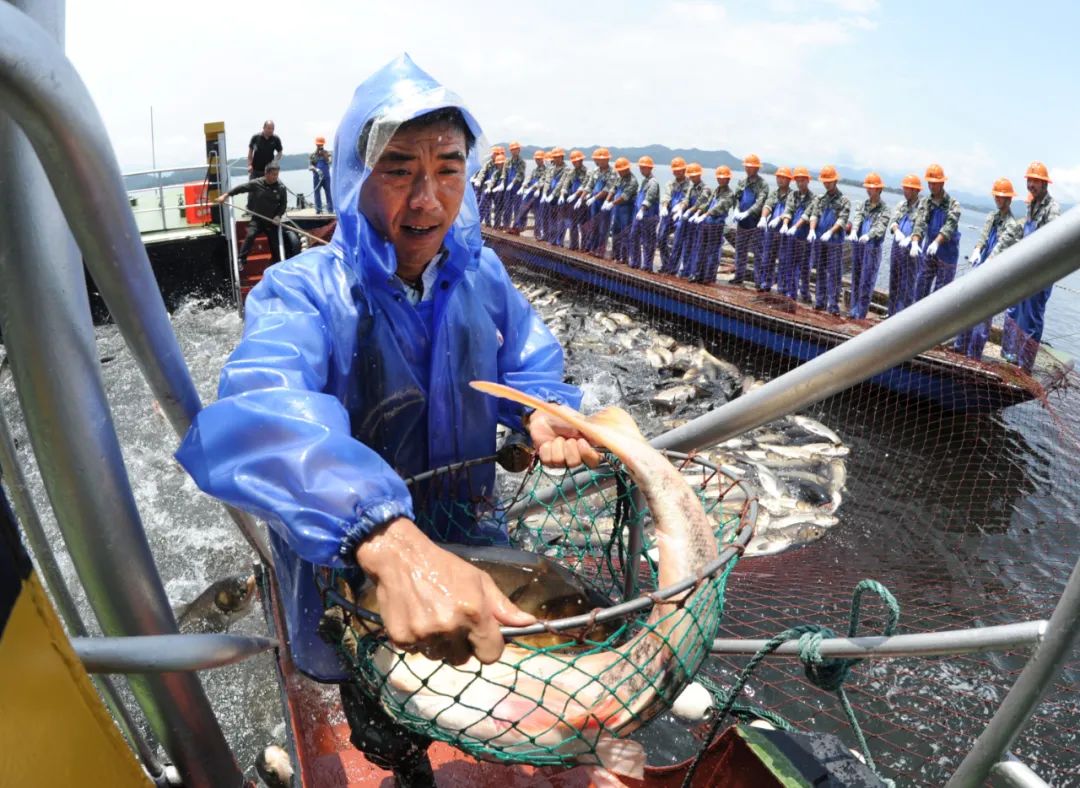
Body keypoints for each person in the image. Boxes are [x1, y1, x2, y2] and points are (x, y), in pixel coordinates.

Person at [179, 55, 601, 786]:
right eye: (398, 168)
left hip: (472, 539)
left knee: (483, 684)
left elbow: (530, 365)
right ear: (352, 174)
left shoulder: (481, 274)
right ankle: (401, 763)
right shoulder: (303, 292)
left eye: (449, 167)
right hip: (357, 567)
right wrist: (380, 533)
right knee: (381, 712)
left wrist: (540, 415)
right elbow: (263, 407)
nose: (427, 197)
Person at [1002, 161, 1061, 370]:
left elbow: (1053, 239)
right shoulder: (1032, 204)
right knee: (1015, 310)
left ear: (1044, 183)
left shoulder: (1051, 208)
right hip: (1026, 268)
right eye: (1029, 181)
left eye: (1035, 181)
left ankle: (1024, 364)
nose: (1031, 185)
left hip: (1041, 272)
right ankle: (1010, 354)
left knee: (1032, 317)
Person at [955, 178, 1022, 361]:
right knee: (968, 307)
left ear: (1009, 199)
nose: (999, 199)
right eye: (997, 196)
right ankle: (959, 348)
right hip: (980, 268)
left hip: (995, 275)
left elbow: (1001, 246)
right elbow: (984, 235)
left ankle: (973, 356)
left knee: (983, 318)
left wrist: (989, 261)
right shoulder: (992, 217)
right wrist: (977, 249)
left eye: (1002, 197)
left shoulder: (1012, 225)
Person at [217, 160, 289, 268]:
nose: (276, 177)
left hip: (272, 221)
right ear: (266, 173)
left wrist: (278, 216)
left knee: (276, 244)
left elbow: (283, 204)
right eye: (274, 174)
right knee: (250, 235)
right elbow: (240, 188)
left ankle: (276, 263)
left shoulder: (281, 188)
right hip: (258, 219)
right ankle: (241, 259)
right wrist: (225, 195)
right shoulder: (256, 183)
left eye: (277, 174)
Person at [910, 164, 962, 302]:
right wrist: (915, 241)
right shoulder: (926, 202)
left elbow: (949, 226)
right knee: (921, 283)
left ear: (942, 183)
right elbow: (920, 222)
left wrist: (937, 242)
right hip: (930, 251)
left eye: (935, 183)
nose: (932, 186)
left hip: (947, 254)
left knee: (941, 293)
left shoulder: (953, 204)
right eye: (930, 183)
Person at [806, 165, 850, 315]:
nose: (826, 184)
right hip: (820, 241)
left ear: (835, 181)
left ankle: (833, 305)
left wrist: (830, 232)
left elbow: (843, 219)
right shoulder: (820, 199)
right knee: (820, 271)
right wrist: (812, 229)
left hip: (834, 243)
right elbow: (814, 215)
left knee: (834, 273)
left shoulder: (844, 201)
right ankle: (819, 301)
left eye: (829, 181)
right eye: (824, 181)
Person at [846, 173, 890, 320]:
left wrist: (869, 235)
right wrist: (854, 230)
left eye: (871, 188)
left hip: (872, 248)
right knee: (856, 278)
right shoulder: (862, 204)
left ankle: (861, 314)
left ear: (879, 190)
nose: (868, 190)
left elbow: (880, 227)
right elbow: (857, 217)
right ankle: (853, 310)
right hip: (859, 247)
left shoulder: (884, 209)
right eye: (867, 188)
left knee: (867, 281)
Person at [681, 165, 733, 283]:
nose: (720, 180)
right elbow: (708, 203)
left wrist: (706, 214)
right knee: (701, 249)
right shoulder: (716, 190)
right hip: (706, 224)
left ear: (728, 179)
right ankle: (697, 274)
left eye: (723, 178)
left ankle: (709, 277)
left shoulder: (729, 194)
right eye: (719, 178)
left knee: (712, 252)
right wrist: (698, 212)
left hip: (716, 226)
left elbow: (719, 207)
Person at [886, 174, 923, 315]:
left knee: (907, 286)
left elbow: (921, 226)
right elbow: (893, 221)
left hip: (911, 251)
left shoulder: (922, 208)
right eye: (904, 188)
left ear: (915, 191)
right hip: (897, 248)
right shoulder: (901, 205)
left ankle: (902, 317)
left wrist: (910, 239)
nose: (904, 191)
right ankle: (891, 314)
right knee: (894, 282)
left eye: (907, 189)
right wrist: (897, 232)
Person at [730, 153, 769, 285]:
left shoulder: (763, 184)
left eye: (751, 167)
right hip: (742, 224)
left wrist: (747, 212)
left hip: (755, 224)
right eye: (746, 166)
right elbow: (737, 198)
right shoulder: (742, 182)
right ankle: (738, 277)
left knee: (759, 254)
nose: (748, 169)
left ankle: (759, 281)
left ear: (757, 168)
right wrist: (735, 209)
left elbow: (760, 202)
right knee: (740, 251)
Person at [777, 166, 815, 302]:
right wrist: (786, 224)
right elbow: (788, 210)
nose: (800, 183)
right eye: (797, 180)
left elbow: (807, 215)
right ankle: (789, 293)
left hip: (805, 238)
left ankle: (805, 294)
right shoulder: (793, 195)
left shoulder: (813, 198)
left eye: (802, 180)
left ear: (808, 181)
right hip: (792, 237)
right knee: (789, 264)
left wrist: (796, 227)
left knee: (804, 267)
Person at [754, 166, 792, 292]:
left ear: (789, 180)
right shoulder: (774, 194)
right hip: (771, 231)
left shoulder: (792, 195)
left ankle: (782, 287)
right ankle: (765, 283)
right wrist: (763, 218)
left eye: (783, 178)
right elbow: (768, 205)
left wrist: (780, 219)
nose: (780, 180)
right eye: (778, 177)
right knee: (767, 258)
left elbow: (789, 210)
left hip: (784, 232)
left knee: (783, 260)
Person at [669, 162, 708, 278]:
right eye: (690, 176)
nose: (691, 178)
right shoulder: (691, 186)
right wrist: (681, 208)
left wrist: (689, 212)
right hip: (687, 221)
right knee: (683, 244)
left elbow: (700, 203)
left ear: (699, 175)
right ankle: (683, 270)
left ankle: (693, 272)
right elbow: (686, 199)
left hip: (697, 222)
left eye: (694, 176)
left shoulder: (705, 189)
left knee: (695, 247)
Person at [656, 157, 692, 274]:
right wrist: (665, 206)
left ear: (684, 170)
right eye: (675, 170)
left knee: (678, 242)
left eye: (679, 170)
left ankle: (673, 268)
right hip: (669, 214)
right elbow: (666, 196)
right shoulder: (670, 183)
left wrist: (680, 208)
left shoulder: (690, 185)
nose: (677, 172)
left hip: (681, 215)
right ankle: (666, 264)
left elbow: (687, 198)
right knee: (661, 238)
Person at [628, 155, 660, 270]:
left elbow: (649, 198)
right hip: (639, 216)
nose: (641, 170)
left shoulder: (653, 183)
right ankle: (635, 262)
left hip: (649, 216)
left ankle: (647, 265)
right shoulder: (644, 181)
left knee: (648, 241)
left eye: (644, 168)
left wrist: (642, 210)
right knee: (633, 237)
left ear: (650, 168)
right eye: (640, 168)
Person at [584, 148, 616, 255]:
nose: (597, 162)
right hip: (594, 203)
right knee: (593, 226)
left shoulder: (612, 173)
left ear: (606, 160)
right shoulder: (595, 171)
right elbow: (590, 184)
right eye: (596, 159)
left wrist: (594, 197)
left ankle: (600, 251)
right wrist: (585, 195)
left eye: (599, 159)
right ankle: (592, 248)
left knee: (603, 228)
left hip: (605, 203)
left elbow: (607, 189)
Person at [607, 157, 639, 263]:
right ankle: (615, 255)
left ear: (627, 169)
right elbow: (613, 188)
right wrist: (607, 200)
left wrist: (612, 203)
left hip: (627, 209)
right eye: (618, 171)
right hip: (617, 209)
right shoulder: (620, 178)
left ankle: (624, 258)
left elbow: (625, 196)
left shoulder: (633, 181)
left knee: (625, 233)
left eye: (621, 171)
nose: (619, 173)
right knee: (615, 231)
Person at [559, 150, 591, 250]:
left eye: (576, 161)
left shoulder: (587, 172)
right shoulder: (571, 172)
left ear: (581, 160)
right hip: (572, 202)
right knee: (572, 224)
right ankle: (573, 245)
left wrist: (578, 196)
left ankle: (584, 247)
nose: (574, 162)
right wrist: (562, 192)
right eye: (573, 161)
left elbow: (585, 185)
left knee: (583, 225)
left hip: (582, 201)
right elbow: (566, 183)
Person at [511, 149, 546, 234]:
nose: (537, 161)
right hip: (530, 192)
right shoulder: (534, 170)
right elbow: (529, 178)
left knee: (538, 214)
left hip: (539, 193)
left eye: (539, 159)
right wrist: (524, 185)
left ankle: (537, 233)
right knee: (522, 208)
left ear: (543, 159)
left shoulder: (546, 170)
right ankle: (517, 227)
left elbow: (543, 180)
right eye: (536, 159)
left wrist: (536, 187)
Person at [495, 141, 526, 229]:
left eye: (515, 149)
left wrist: (513, 183)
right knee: (507, 207)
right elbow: (504, 172)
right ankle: (506, 226)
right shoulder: (507, 161)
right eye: (512, 150)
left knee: (517, 208)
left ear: (519, 150)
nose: (514, 151)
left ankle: (516, 228)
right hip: (508, 187)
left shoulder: (522, 162)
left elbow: (520, 174)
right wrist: (502, 182)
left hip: (517, 187)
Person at [539, 147, 567, 243]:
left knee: (560, 220)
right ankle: (550, 238)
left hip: (560, 197)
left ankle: (559, 241)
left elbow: (561, 183)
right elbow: (547, 182)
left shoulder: (566, 170)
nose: (555, 159)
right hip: (550, 196)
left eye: (558, 157)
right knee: (550, 218)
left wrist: (554, 194)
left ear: (562, 157)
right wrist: (544, 193)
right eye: (554, 157)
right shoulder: (551, 169)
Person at [309, 136, 334, 214]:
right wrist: (316, 169)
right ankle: (318, 210)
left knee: (329, 192)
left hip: (326, 177)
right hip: (317, 177)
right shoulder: (313, 155)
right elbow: (310, 166)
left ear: (323, 145)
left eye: (321, 145)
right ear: (316, 145)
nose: (320, 147)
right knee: (317, 193)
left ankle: (330, 209)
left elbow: (329, 162)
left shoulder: (327, 153)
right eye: (319, 145)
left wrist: (324, 155)